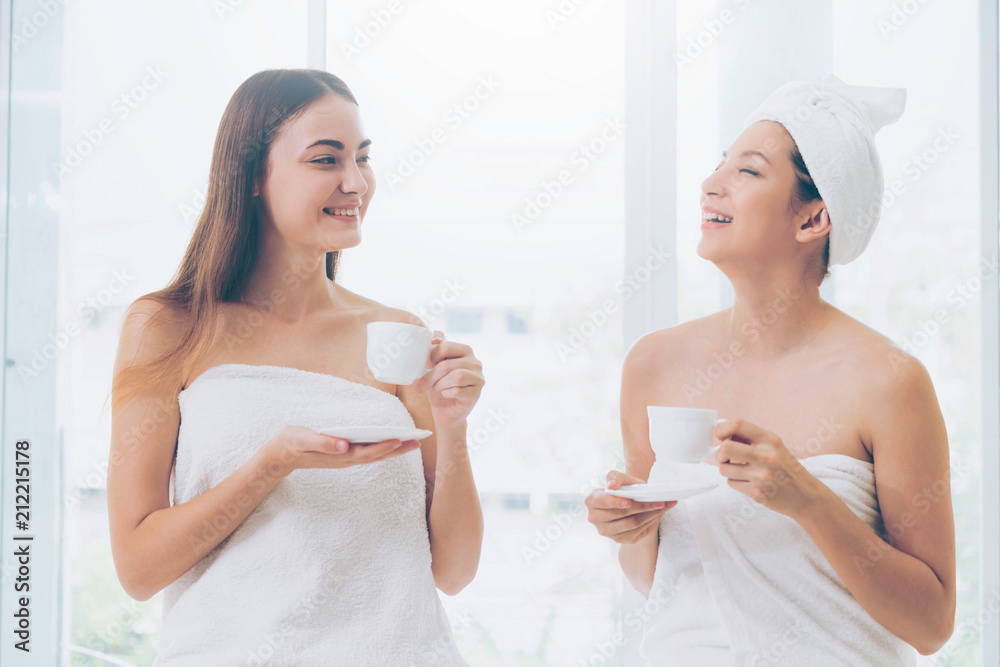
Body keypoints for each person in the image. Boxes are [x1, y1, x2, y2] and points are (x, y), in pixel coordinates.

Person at [107, 69, 483, 666]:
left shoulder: (396, 335)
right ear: (253, 175)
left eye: (362, 158)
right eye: (325, 160)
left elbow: (455, 570)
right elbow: (137, 568)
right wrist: (272, 464)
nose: (355, 182)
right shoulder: (168, 327)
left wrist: (453, 425)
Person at [585, 74, 955, 665]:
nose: (711, 185)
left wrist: (807, 498)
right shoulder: (653, 364)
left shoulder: (888, 381)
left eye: (747, 171)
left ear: (813, 220)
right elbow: (650, 579)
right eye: (719, 165)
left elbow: (932, 624)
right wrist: (631, 525)